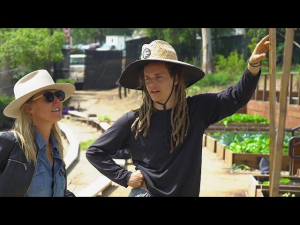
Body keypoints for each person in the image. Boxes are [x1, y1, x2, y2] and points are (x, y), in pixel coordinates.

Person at [86, 35, 270, 197]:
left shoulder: (198, 110)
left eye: (159, 77)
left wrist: (252, 65)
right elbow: (95, 152)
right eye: (148, 78)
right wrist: (126, 177)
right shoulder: (135, 121)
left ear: (175, 78)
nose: (152, 84)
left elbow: (236, 97)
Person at [0, 69, 76, 197]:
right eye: (49, 97)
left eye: (59, 95)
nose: (57, 100)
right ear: (29, 108)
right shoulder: (10, 144)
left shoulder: (56, 149)